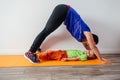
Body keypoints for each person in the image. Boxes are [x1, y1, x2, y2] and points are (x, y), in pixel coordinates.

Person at [24, 4, 111, 64]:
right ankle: (30, 52)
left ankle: (36, 48)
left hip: (63, 15)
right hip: (64, 10)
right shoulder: (87, 31)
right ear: (91, 39)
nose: (90, 44)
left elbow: (89, 47)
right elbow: (93, 47)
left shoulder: (81, 39)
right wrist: (101, 60)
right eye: (92, 42)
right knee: (46, 31)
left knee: (47, 31)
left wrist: (95, 55)